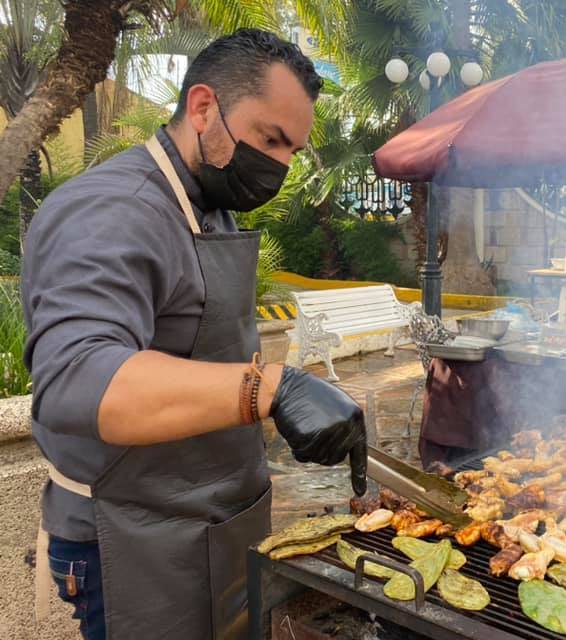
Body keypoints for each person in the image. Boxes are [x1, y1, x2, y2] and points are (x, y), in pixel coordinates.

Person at [22, 29, 367, 640]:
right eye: (270, 139)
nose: (280, 166)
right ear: (204, 107)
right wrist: (271, 389)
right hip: (130, 539)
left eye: (293, 150)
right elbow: (77, 382)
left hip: (213, 521)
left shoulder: (210, 204)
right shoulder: (113, 210)